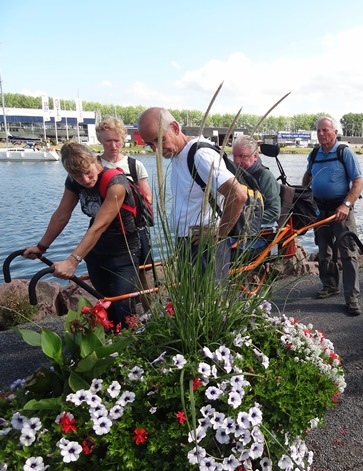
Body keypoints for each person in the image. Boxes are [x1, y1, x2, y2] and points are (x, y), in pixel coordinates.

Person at [22, 142, 140, 330]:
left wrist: (72, 261)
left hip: (123, 252)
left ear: (95, 160)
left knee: (123, 307)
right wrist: (42, 246)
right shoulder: (73, 182)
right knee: (104, 304)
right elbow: (62, 214)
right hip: (96, 252)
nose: (85, 180)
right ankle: (110, 350)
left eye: (88, 173)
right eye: (77, 176)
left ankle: (133, 349)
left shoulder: (116, 183)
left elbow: (100, 225)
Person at [137, 107, 247, 277]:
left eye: (159, 140)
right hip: (190, 243)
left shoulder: (200, 155)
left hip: (205, 245)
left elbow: (238, 195)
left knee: (209, 301)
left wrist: (218, 234)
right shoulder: (178, 154)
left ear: (174, 128)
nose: (156, 149)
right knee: (193, 301)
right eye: (150, 144)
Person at [302, 116, 363, 316]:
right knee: (323, 250)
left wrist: (346, 205)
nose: (321, 134)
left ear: (335, 132)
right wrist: (304, 197)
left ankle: (352, 298)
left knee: (348, 253)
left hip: (341, 210)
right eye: (319, 130)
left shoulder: (344, 152)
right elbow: (307, 177)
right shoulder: (314, 154)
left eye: (325, 130)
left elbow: (358, 183)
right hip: (320, 210)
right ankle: (329, 285)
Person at [96, 115, 154, 307]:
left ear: (123, 139)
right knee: (114, 280)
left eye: (117, 140)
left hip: (134, 230)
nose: (113, 145)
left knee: (143, 274)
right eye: (108, 141)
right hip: (106, 233)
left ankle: (149, 313)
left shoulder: (133, 165)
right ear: (100, 140)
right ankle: (121, 317)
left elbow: (147, 197)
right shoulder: (94, 166)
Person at [231, 135, 281, 226]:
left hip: (259, 230)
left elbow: (274, 212)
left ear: (255, 156)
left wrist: (242, 220)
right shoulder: (231, 175)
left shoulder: (265, 176)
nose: (237, 161)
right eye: (234, 156)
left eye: (243, 156)